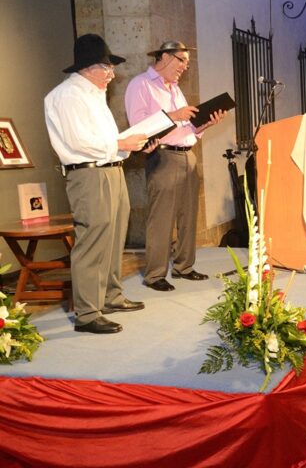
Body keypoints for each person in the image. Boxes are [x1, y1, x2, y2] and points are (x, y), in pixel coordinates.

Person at [44, 34, 148, 334]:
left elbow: (105, 141)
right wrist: (121, 143)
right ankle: (88, 312)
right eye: (107, 67)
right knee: (91, 241)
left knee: (114, 236)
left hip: (111, 169)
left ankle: (110, 296)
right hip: (88, 174)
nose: (111, 74)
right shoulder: (67, 95)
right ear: (89, 67)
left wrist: (129, 146)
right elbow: (79, 141)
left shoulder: (94, 94)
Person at [125, 40, 225, 292]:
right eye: (182, 61)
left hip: (187, 154)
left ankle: (184, 266)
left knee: (188, 215)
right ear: (165, 57)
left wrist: (205, 124)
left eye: (187, 64)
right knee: (162, 218)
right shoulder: (141, 84)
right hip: (163, 157)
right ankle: (155, 274)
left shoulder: (175, 89)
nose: (185, 67)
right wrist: (174, 115)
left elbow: (186, 127)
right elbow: (139, 127)